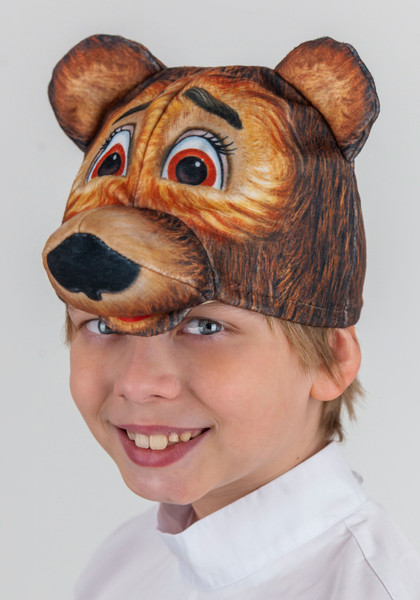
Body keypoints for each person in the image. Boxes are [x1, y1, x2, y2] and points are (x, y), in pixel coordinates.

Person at [43, 34, 420, 598]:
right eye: (101, 325)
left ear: (331, 359)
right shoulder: (123, 565)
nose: (139, 383)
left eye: (205, 326)